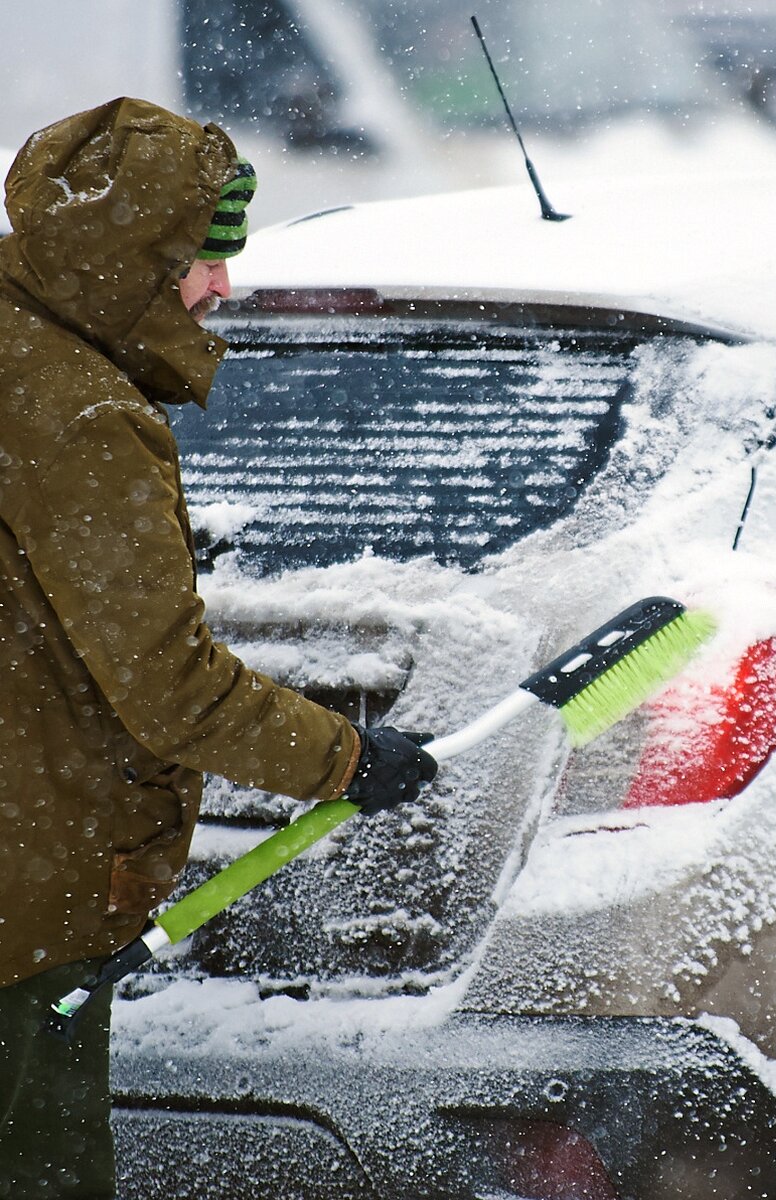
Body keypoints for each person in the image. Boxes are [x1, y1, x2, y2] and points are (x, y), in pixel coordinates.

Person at [0, 97, 437, 1198]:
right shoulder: (76, 413)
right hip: (19, 906)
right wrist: (345, 757)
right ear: (130, 257)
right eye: (205, 259)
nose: (222, 289)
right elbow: (167, 685)